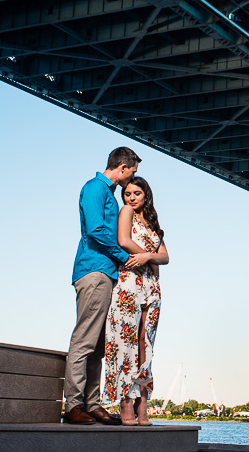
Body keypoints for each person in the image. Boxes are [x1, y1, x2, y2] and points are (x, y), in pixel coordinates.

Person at [63, 147, 141, 425]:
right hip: (94, 270)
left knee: (98, 345)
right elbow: (96, 230)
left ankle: (92, 404)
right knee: (84, 340)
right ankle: (73, 405)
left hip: (105, 273)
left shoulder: (107, 192)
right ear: (122, 168)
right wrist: (125, 258)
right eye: (132, 172)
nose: (132, 178)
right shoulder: (95, 188)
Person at [102, 176, 170, 426]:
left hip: (152, 286)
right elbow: (123, 241)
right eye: (128, 193)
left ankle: (143, 401)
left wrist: (147, 257)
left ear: (146, 195)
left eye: (136, 193)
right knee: (125, 340)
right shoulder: (126, 211)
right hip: (129, 282)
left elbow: (166, 257)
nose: (131, 197)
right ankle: (125, 401)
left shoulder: (152, 221)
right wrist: (148, 257)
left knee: (145, 343)